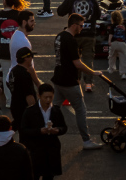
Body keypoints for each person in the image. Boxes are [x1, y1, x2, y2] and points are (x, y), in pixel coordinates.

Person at [50, 13, 103, 150]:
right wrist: (93, 73)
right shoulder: (71, 40)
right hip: (69, 81)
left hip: (58, 79)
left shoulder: (59, 36)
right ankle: (86, 140)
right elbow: (77, 63)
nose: (82, 28)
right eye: (80, 25)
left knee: (53, 108)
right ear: (74, 25)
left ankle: (46, 131)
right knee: (80, 110)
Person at [54, 0, 100, 91]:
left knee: (75, 59)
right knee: (88, 58)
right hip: (89, 34)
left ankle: (77, 81)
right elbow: (98, 15)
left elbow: (60, 12)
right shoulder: (92, 0)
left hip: (75, 35)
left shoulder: (71, 0)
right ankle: (88, 84)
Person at [19, 84, 69, 180]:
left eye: (50, 97)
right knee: (34, 175)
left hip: (51, 149)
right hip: (35, 149)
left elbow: (64, 127)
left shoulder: (56, 110)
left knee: (49, 176)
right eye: (45, 97)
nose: (48, 100)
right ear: (39, 96)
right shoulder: (29, 111)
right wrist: (39, 131)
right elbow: (24, 130)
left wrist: (58, 130)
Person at [0, 0, 29, 64]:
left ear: (4, 2)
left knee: (5, 71)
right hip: (17, 48)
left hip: (3, 49)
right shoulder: (19, 14)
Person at [8, 47, 39, 129]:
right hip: (24, 108)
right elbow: (29, 95)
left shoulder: (13, 71)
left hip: (15, 105)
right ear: (26, 58)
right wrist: (34, 112)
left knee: (18, 126)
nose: (32, 59)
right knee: (26, 132)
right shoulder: (24, 74)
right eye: (31, 56)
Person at [107, 11, 126, 81]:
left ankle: (111, 69)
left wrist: (109, 41)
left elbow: (111, 34)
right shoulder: (123, 26)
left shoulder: (113, 26)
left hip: (114, 43)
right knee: (123, 58)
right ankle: (123, 73)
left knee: (112, 56)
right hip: (122, 44)